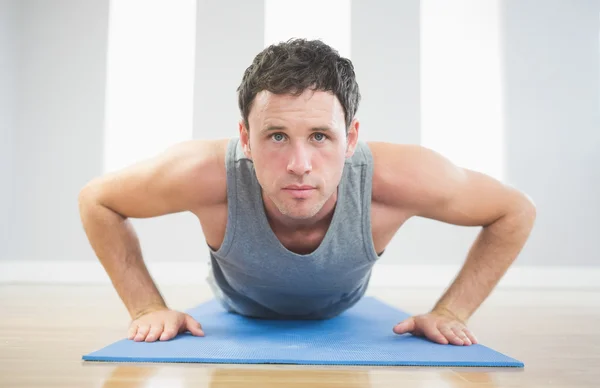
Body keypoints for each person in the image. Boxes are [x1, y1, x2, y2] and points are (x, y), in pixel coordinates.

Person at [78, 39, 536, 347]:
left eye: (320, 135)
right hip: (239, 304)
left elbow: (513, 211)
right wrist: (147, 306)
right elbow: (97, 199)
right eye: (276, 135)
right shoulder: (204, 172)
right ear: (245, 137)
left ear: (351, 138)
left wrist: (452, 311)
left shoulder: (399, 176)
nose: (299, 163)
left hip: (342, 305)